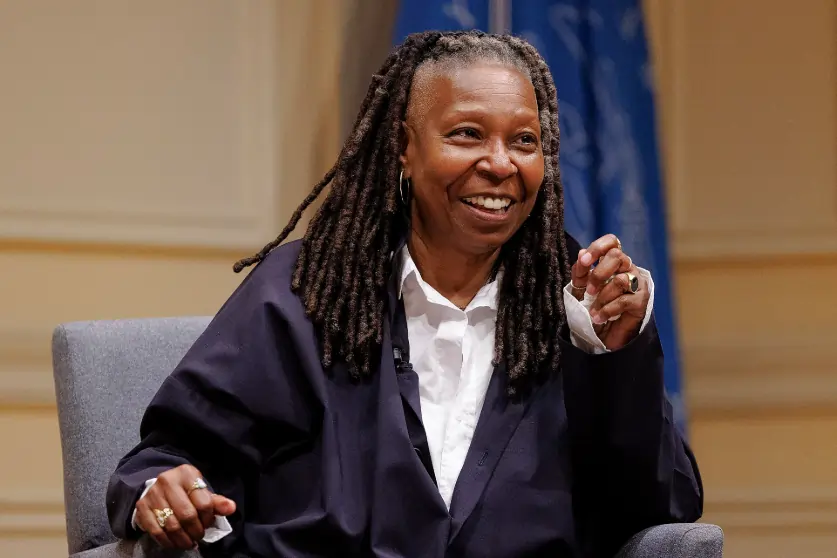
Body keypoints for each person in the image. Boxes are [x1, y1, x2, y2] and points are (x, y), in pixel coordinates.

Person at [107, 31, 702, 558]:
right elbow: (168, 462)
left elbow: (657, 509)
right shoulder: (306, 294)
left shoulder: (577, 308)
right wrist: (162, 494)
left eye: (524, 141)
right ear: (404, 148)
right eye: (467, 134)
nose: (499, 164)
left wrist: (611, 356)